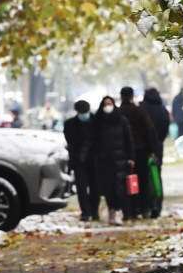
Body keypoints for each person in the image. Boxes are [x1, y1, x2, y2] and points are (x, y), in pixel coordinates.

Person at [80, 96, 135, 226]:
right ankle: (112, 211)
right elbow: (90, 139)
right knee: (108, 189)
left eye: (109, 104)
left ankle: (118, 212)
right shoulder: (98, 122)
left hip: (120, 161)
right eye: (105, 104)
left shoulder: (121, 121)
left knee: (120, 188)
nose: (107, 106)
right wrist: (84, 154)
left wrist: (131, 157)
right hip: (104, 161)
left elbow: (129, 140)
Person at [118, 86, 157, 220]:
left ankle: (130, 210)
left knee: (125, 183)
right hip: (141, 151)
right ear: (132, 96)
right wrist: (151, 150)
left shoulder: (118, 113)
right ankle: (144, 208)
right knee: (142, 181)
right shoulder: (140, 112)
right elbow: (148, 131)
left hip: (123, 153)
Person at [63, 100, 100, 221]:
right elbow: (69, 142)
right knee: (81, 187)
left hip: (94, 160)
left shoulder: (97, 122)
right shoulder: (70, 125)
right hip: (78, 161)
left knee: (95, 187)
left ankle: (94, 211)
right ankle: (85, 212)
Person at [140, 88, 170, 218]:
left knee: (144, 177)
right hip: (158, 147)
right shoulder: (162, 109)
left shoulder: (141, 108)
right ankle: (157, 204)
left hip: (143, 148)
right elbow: (165, 128)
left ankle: (145, 206)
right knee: (156, 175)